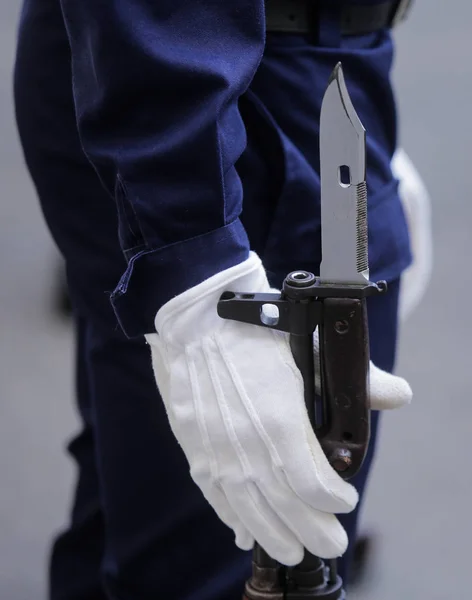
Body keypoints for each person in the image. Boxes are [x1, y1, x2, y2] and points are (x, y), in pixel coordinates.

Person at [14, 1, 418, 599]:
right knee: (234, 555)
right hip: (213, 89)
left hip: (224, 70)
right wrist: (197, 260)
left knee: (147, 506)